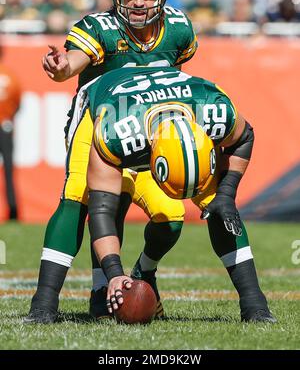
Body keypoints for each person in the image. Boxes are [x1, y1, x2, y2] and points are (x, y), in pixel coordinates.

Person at [25, 0, 198, 324]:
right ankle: (44, 303)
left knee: (169, 214)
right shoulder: (101, 27)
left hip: (147, 132)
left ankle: (123, 282)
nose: (138, 1)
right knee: (78, 198)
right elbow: (72, 63)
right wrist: (60, 68)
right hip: (97, 124)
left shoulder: (180, 30)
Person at [85, 66, 276, 322]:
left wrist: (227, 193)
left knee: (218, 206)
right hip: (103, 98)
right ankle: (89, 292)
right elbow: (101, 210)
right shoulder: (114, 132)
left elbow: (244, 136)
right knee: (80, 195)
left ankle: (254, 303)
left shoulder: (215, 109)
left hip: (177, 108)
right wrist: (115, 272)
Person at [0, 53, 21, 220]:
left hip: (4, 125)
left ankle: (13, 209)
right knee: (8, 171)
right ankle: (13, 210)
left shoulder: (9, 75)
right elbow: (17, 102)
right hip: (5, 126)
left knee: (8, 170)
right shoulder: (9, 75)